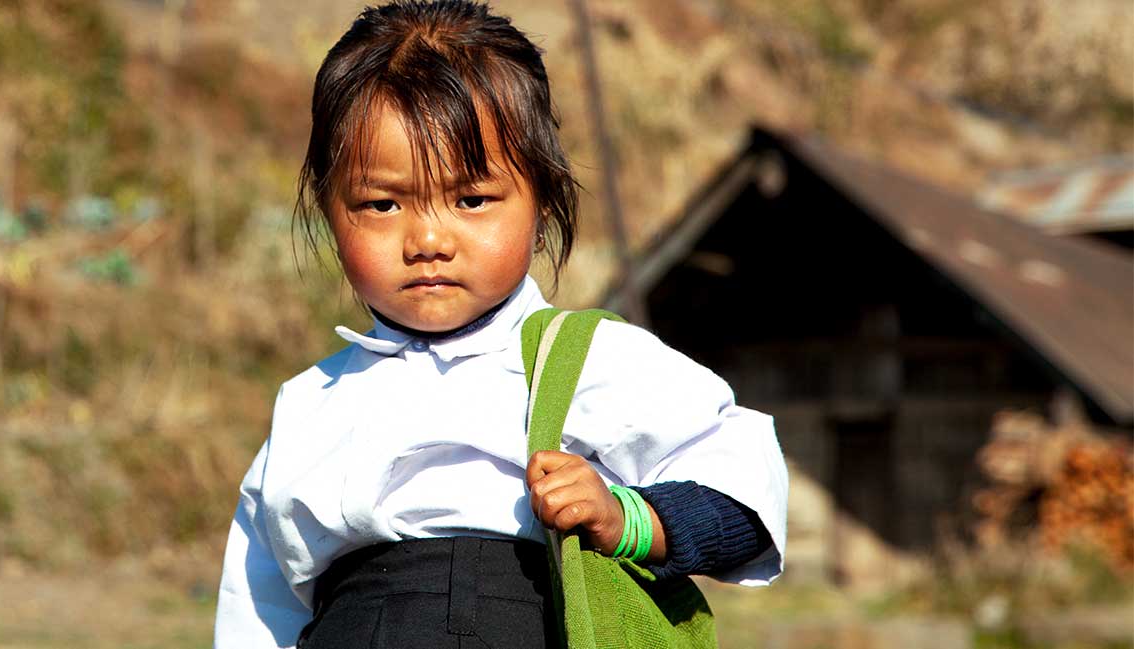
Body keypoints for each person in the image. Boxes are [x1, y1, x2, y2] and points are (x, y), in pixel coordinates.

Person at [214, 2, 787, 647]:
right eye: (381, 203)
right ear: (329, 209)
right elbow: (257, 615)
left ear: (543, 201)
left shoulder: (591, 361)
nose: (427, 238)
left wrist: (628, 518)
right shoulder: (306, 407)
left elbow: (745, 493)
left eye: (471, 199)